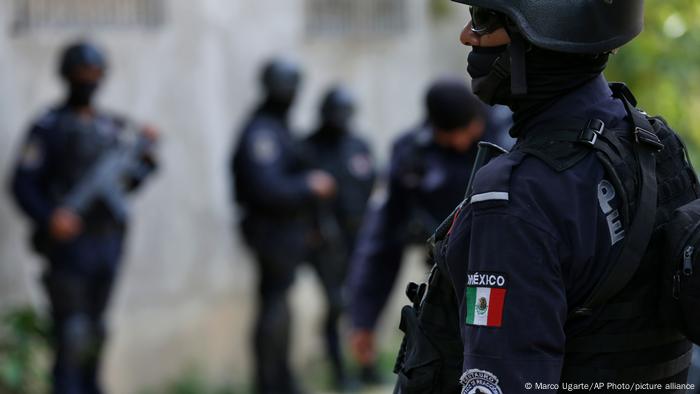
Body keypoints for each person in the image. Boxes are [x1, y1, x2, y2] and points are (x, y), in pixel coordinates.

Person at [412, 1, 698, 392]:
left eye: (482, 19)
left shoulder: (520, 194)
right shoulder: (656, 145)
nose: (467, 35)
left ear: (542, 34)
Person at [9, 40, 158, 394]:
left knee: (97, 329)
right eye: (82, 73)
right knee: (72, 332)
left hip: (107, 241)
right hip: (69, 248)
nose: (89, 80)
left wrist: (144, 158)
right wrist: (50, 217)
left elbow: (131, 181)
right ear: (66, 76)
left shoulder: (113, 127)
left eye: (95, 73)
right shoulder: (49, 127)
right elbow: (22, 184)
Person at [347, 78, 493, 380]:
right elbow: (383, 239)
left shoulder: (507, 134)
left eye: (467, 132)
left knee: (493, 360)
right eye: (449, 136)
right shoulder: (412, 155)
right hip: (448, 282)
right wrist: (363, 318)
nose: (460, 143)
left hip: (501, 273)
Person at [230, 58, 337, 394]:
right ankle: (270, 384)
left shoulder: (278, 127)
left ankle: (281, 380)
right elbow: (266, 188)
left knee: (280, 305)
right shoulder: (261, 132)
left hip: (287, 232)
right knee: (274, 304)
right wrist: (309, 185)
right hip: (270, 231)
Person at [302, 85, 376, 390]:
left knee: (364, 303)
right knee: (336, 304)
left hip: (359, 236)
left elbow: (371, 182)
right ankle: (339, 372)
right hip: (326, 240)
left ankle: (366, 367)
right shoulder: (308, 148)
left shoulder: (359, 145)